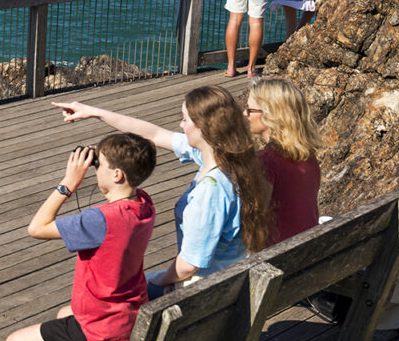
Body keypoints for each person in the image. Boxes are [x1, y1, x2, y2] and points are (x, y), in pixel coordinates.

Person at [4, 134, 157, 341]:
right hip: (130, 314)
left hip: (102, 326)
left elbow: (37, 227)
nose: (93, 169)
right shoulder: (143, 204)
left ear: (117, 174)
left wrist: (67, 184)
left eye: (98, 164)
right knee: (64, 314)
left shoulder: (99, 219)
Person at [52, 86, 271, 294]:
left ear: (204, 127)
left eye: (185, 120)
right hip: (228, 278)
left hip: (204, 289)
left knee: (102, 298)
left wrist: (157, 280)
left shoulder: (211, 191)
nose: (181, 125)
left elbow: (189, 264)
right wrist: (93, 112)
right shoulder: (230, 161)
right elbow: (154, 134)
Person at [245, 79, 322, 245]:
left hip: (280, 256)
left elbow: (255, 220)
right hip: (309, 246)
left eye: (249, 110)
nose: (245, 114)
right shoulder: (306, 153)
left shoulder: (266, 162)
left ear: (269, 114)